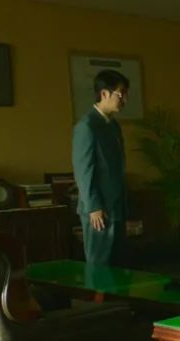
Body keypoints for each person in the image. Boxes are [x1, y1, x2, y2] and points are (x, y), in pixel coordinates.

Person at [72, 69, 129, 265]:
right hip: (98, 210)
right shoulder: (86, 127)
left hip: (117, 206)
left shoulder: (113, 125)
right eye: (121, 94)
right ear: (104, 93)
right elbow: (83, 171)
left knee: (119, 265)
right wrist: (94, 206)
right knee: (100, 265)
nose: (124, 100)